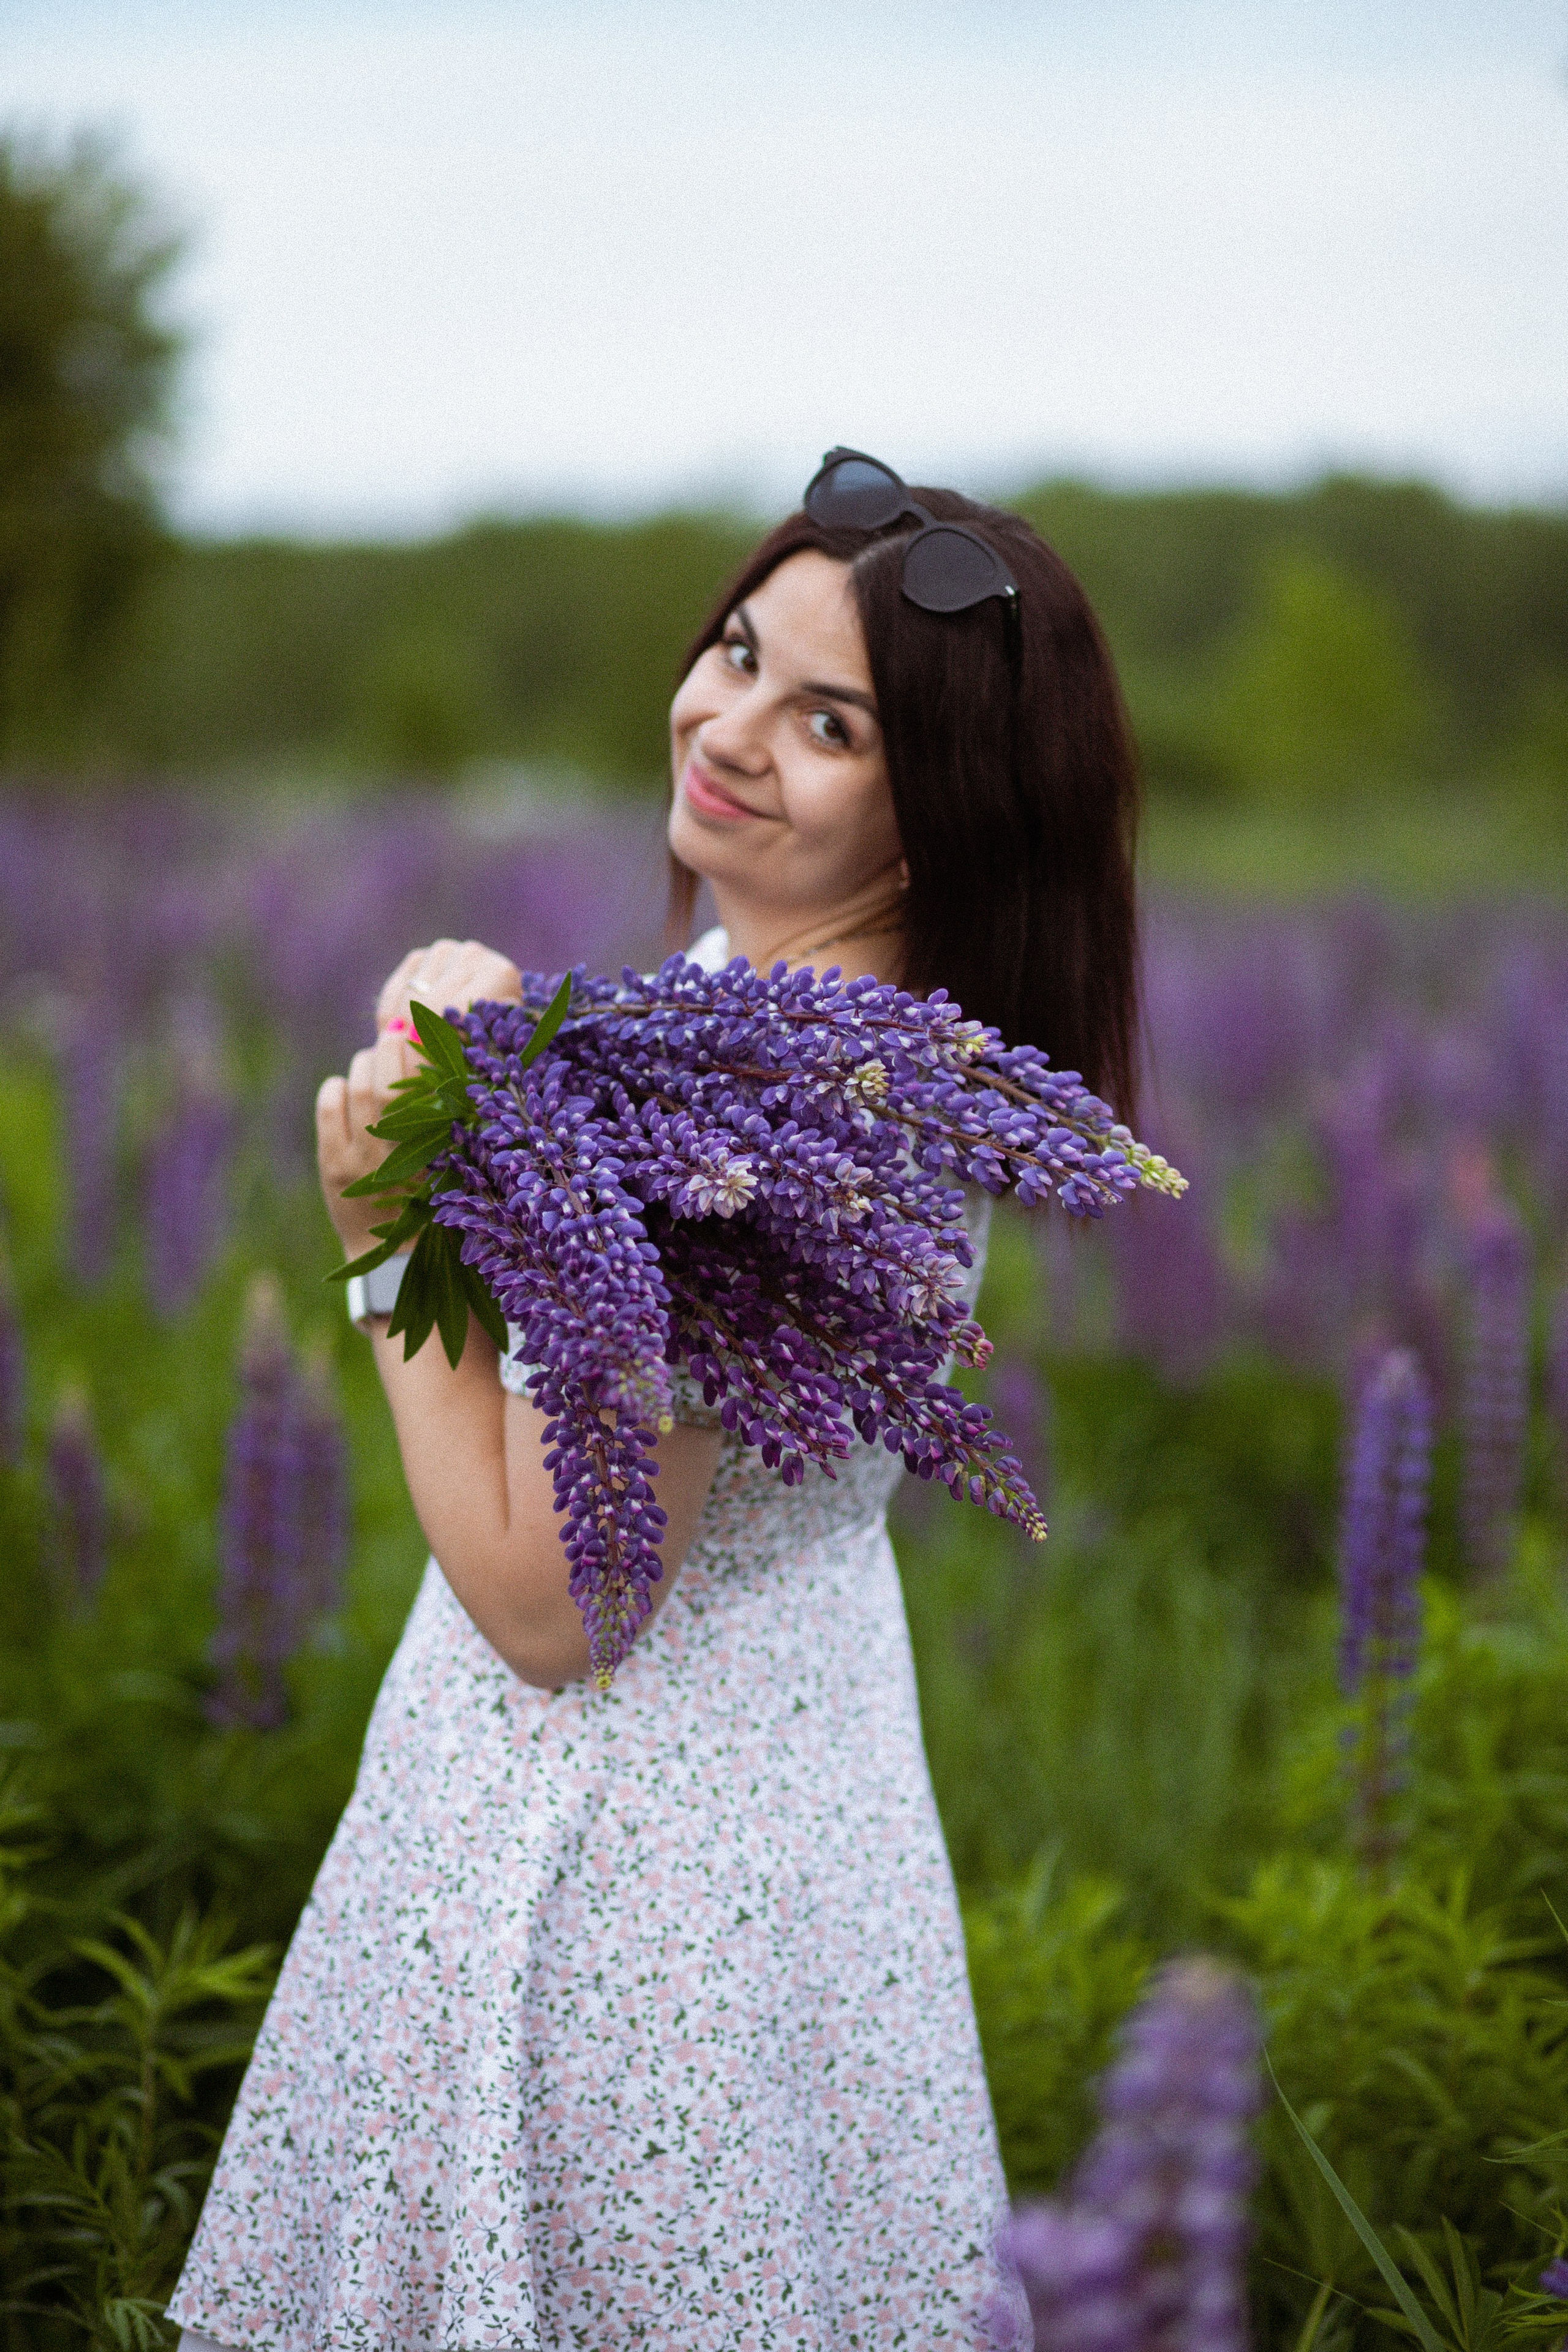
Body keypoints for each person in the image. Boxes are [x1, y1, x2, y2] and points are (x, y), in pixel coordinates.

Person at [168, 450, 1140, 2351]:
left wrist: (384, 1241)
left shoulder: (761, 1117)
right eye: (737, 653)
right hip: (787, 1829)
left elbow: (556, 1604)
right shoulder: (780, 1022)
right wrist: (517, 1097)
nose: (730, 725)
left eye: (830, 720)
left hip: (629, 1910)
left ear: (937, 813)